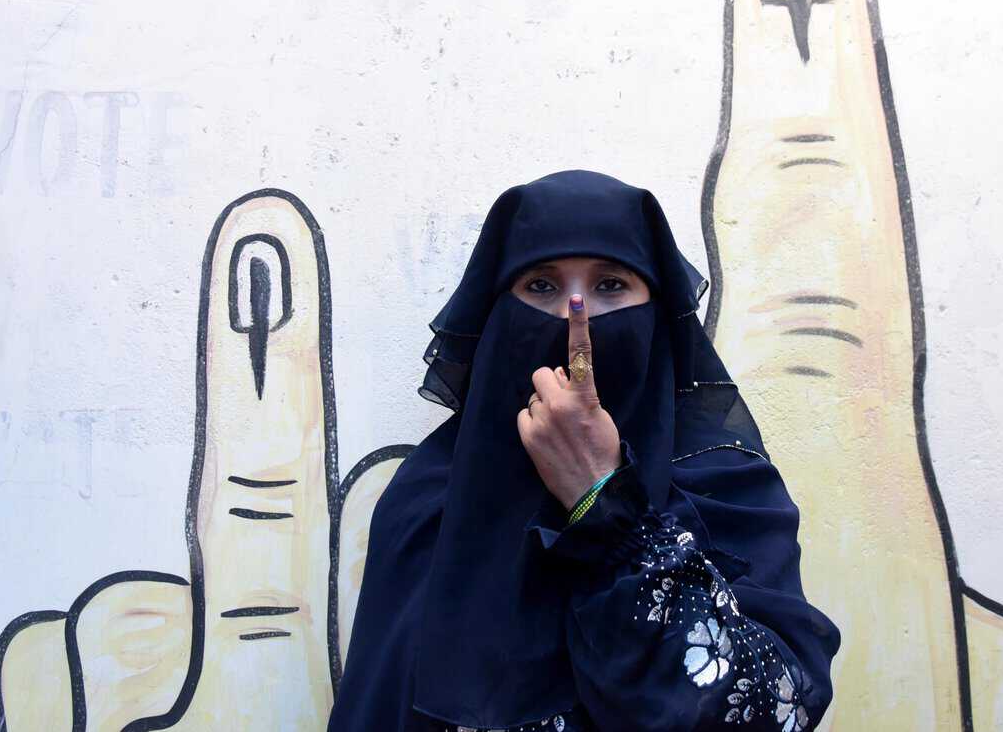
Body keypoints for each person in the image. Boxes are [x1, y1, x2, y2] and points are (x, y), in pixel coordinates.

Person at [327, 169, 841, 732]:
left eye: (611, 285)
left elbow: (777, 711)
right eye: (541, 287)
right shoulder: (430, 499)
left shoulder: (723, 485)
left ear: (657, 310)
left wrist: (605, 503)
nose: (578, 316)